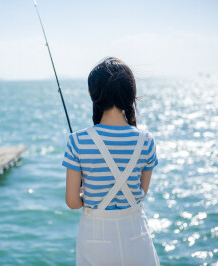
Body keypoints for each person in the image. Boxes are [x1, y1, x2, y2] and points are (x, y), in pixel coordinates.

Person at [62, 57, 160, 266]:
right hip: (137, 235)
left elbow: (72, 202)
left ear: (92, 94)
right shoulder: (146, 141)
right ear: (130, 94)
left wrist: (85, 193)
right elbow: (141, 193)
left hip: (95, 237)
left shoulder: (77, 141)